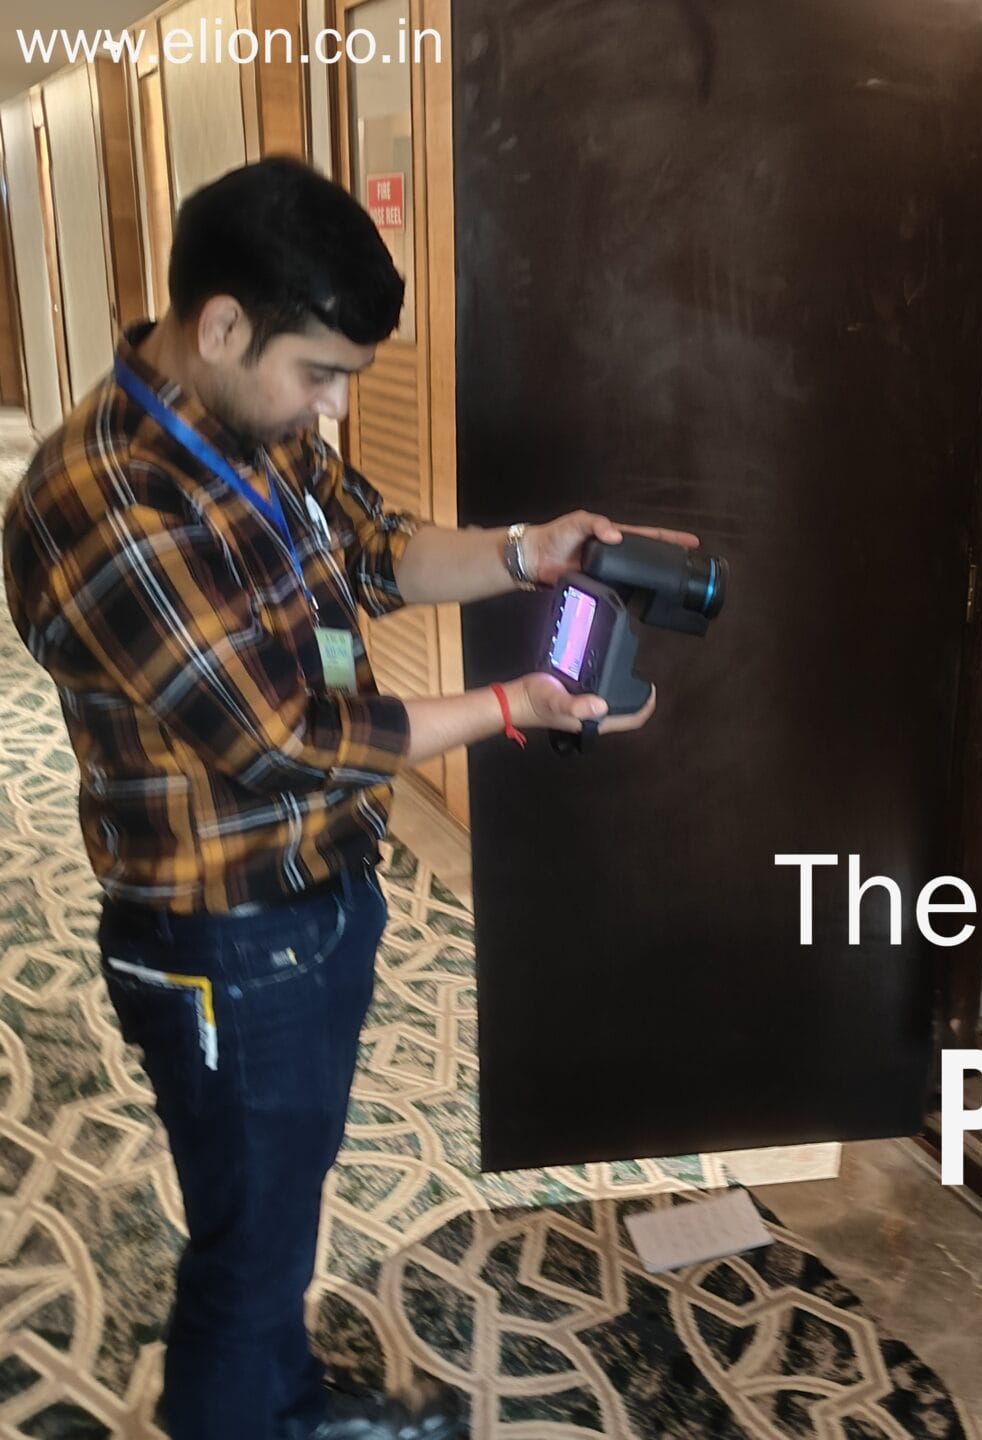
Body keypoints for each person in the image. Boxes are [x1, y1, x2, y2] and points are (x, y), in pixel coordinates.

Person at [1, 157, 696, 1439]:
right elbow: (283, 740)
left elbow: (374, 549)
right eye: (317, 372)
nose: (328, 407)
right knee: (247, 1248)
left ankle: (286, 1407)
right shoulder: (105, 495)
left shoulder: (257, 429)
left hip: (320, 894)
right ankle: (243, 1411)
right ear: (220, 326)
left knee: (284, 1196)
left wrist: (524, 553)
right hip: (221, 933)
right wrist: (511, 710)